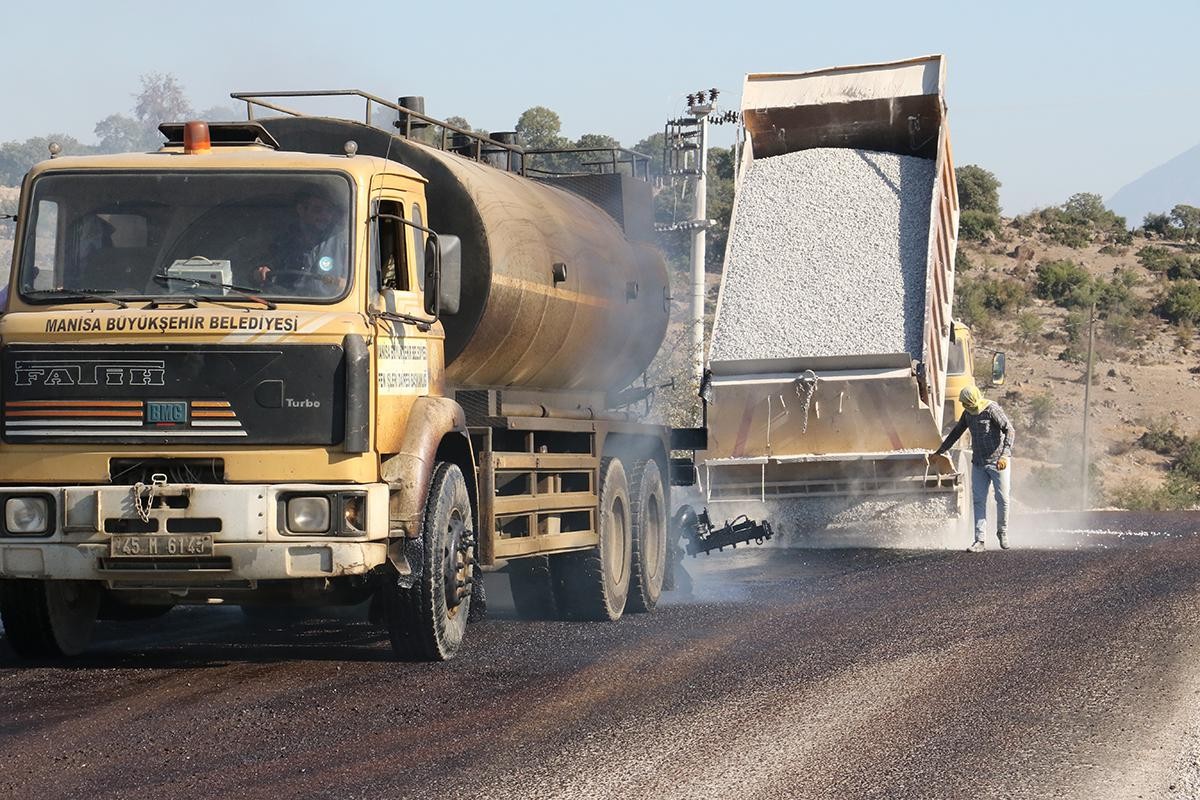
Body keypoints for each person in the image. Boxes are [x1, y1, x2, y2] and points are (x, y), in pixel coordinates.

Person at [933, 385, 1014, 552]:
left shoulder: (992, 409)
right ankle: (979, 540)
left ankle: (1002, 531)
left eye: (969, 404)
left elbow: (1010, 430)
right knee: (978, 500)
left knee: (1003, 499)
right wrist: (940, 451)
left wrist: (1005, 455)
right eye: (965, 405)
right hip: (979, 463)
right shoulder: (968, 414)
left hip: (998, 462)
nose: (968, 408)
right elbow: (956, 433)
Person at [254, 186, 348, 296]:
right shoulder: (283, 242)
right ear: (301, 210)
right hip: (284, 304)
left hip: (329, 307)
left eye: (329, 211)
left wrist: (344, 284)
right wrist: (261, 272)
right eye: (317, 210)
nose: (325, 216)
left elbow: (365, 285)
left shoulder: (344, 243)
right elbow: (265, 267)